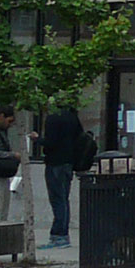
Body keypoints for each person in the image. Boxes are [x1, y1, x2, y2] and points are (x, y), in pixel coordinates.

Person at [38, 104, 88, 250]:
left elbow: (50, 142)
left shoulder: (52, 119)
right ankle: (61, 235)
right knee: (63, 199)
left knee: (57, 199)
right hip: (68, 163)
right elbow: (80, 138)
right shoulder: (73, 117)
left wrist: (38, 140)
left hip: (55, 163)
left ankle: (59, 235)